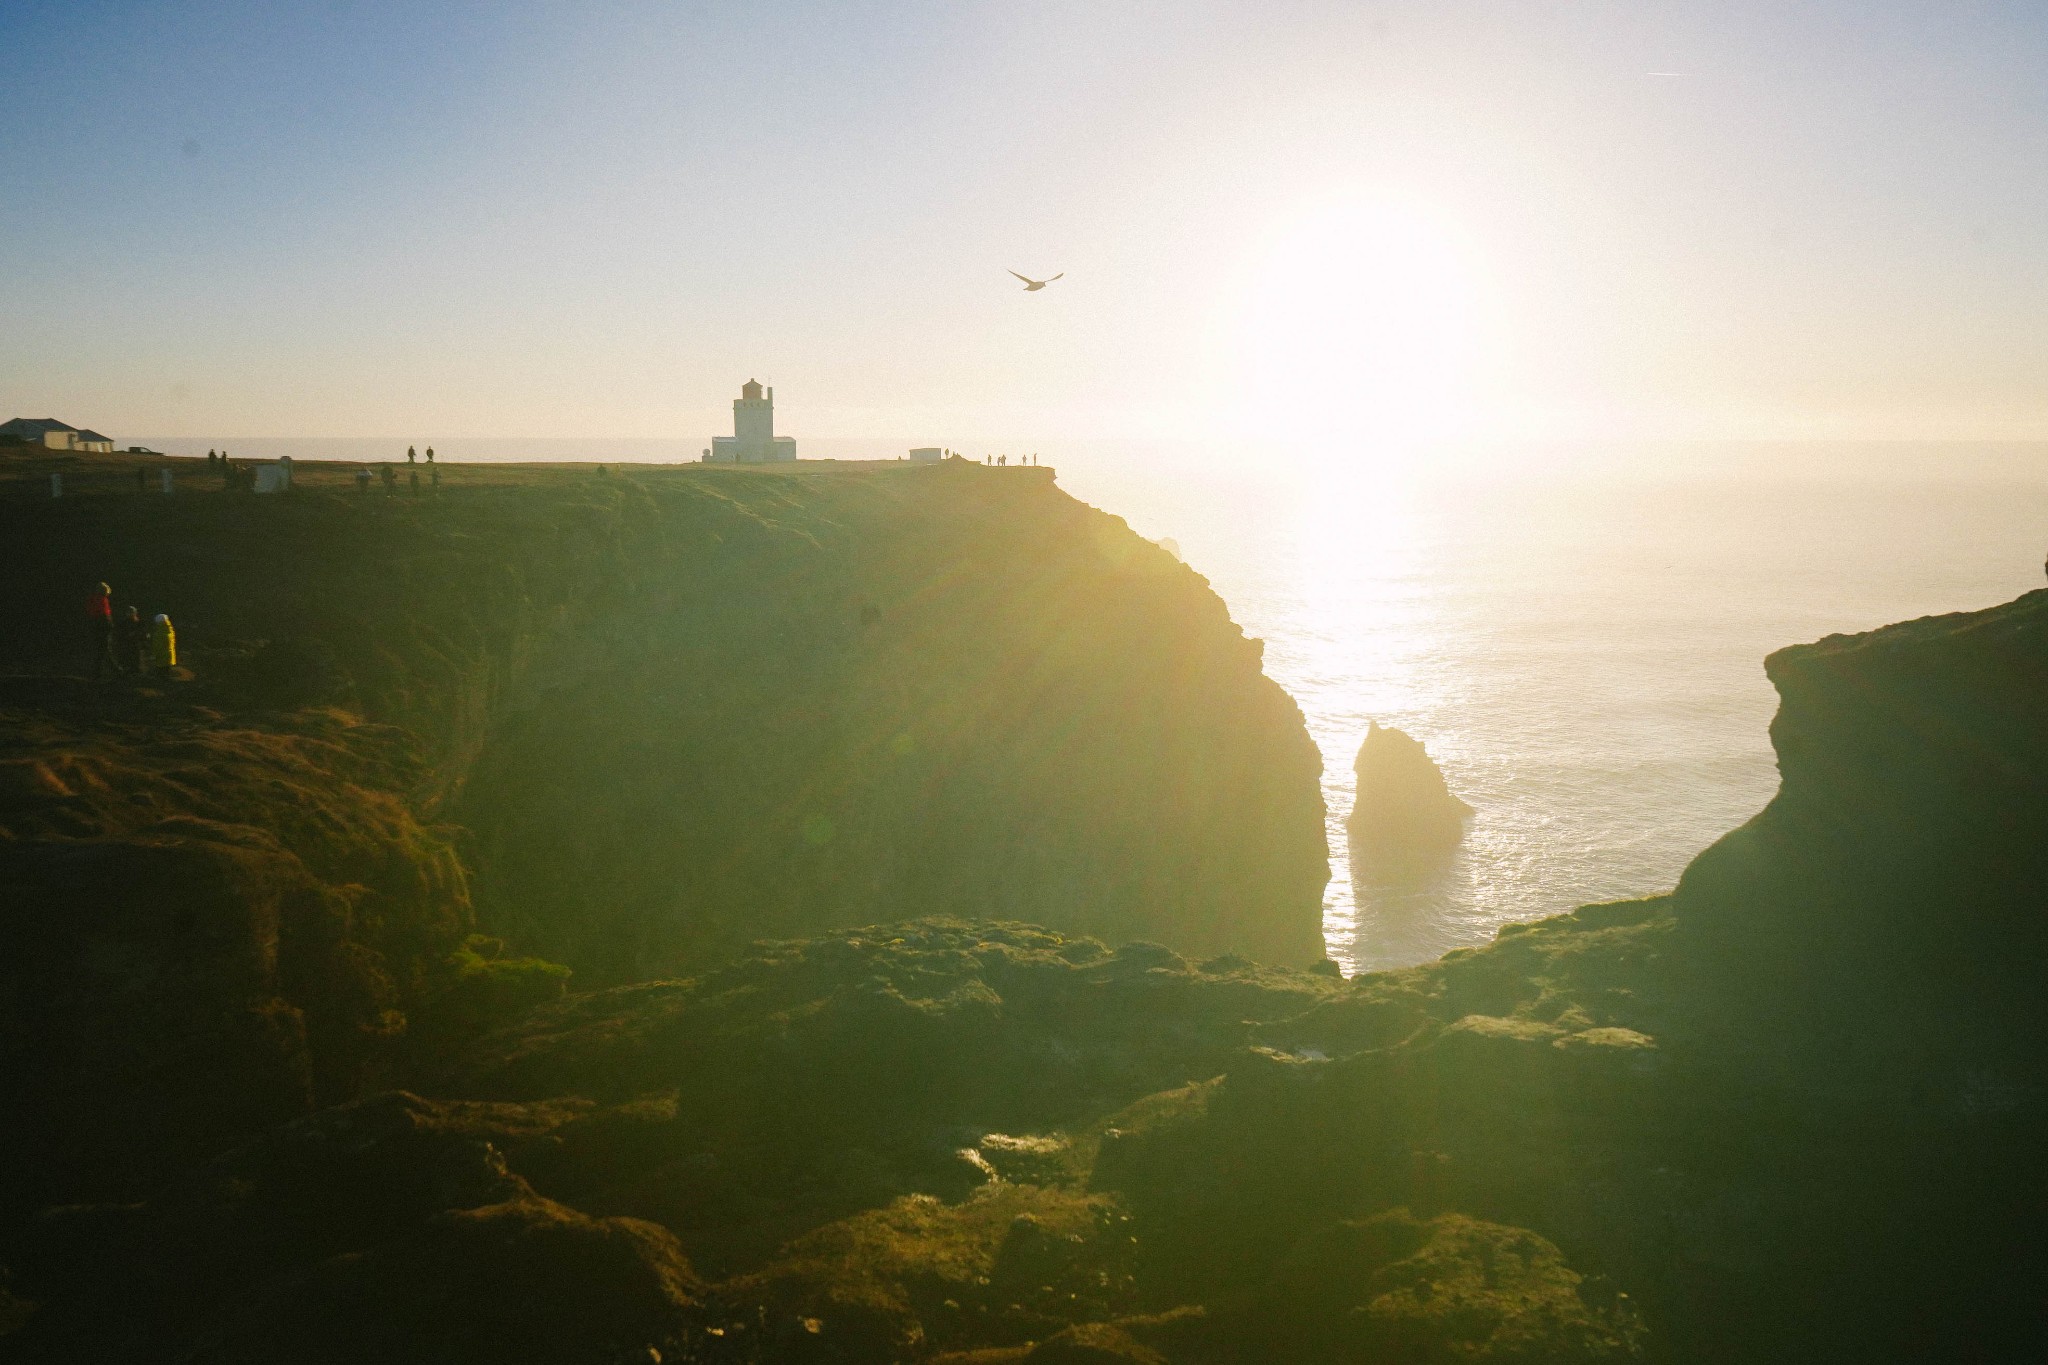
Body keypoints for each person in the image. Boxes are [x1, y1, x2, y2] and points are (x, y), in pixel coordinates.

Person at [87, 582, 115, 680]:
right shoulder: (103, 600)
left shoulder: (93, 598)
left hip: (95, 626)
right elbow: (105, 614)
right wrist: (110, 625)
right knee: (105, 649)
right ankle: (114, 671)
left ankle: (97, 672)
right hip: (102, 626)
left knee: (100, 650)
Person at [113, 606, 144, 676]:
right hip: (127, 643)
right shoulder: (125, 622)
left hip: (134, 642)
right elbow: (120, 633)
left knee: (135, 655)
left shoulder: (137, 622)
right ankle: (129, 669)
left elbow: (141, 631)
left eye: (132, 613)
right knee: (129, 656)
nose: (131, 614)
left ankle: (134, 669)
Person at [148, 613, 177, 680]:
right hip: (169, 656)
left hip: (161, 657)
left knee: (160, 675)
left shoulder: (159, 632)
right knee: (166, 673)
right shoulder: (170, 629)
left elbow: (157, 646)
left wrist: (154, 655)